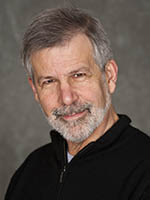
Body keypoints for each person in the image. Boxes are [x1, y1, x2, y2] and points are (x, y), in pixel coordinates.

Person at [5, 7, 150, 200]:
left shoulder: (144, 172)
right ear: (35, 91)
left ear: (109, 76)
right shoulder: (29, 172)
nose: (66, 98)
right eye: (49, 81)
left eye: (78, 75)